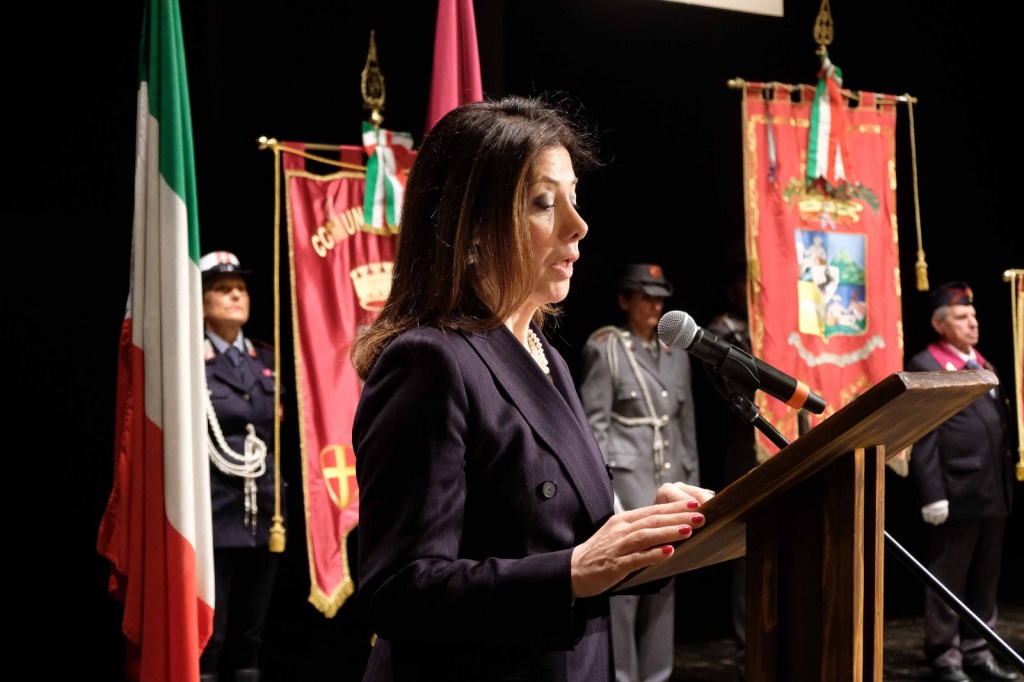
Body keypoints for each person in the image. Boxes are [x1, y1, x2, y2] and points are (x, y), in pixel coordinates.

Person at [350, 94, 715, 682]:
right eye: (545, 203)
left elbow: (570, 543)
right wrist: (569, 572)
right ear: (471, 227)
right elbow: (399, 591)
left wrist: (649, 532)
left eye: (575, 198)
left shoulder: (547, 357)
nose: (579, 225)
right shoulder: (428, 362)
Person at [578, 263, 700, 682]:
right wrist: (604, 494)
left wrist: (693, 482)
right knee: (626, 590)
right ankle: (624, 676)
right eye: (645, 296)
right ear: (625, 301)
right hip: (627, 488)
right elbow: (595, 425)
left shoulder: (676, 352)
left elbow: (685, 425)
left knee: (664, 588)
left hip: (669, 483)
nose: (654, 305)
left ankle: (658, 675)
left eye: (660, 297)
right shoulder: (607, 347)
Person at [906, 281, 1018, 682]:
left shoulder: (984, 363)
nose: (973, 323)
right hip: (956, 489)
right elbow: (925, 434)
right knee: (948, 577)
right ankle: (945, 655)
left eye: (973, 316)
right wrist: (933, 493)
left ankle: (977, 650)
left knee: (985, 578)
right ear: (940, 324)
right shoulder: (927, 363)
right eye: (961, 317)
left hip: (992, 488)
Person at [200, 251, 286, 682]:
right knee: (211, 635)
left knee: (251, 636)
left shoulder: (267, 360)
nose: (235, 294)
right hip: (214, 509)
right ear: (200, 302)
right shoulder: (190, 362)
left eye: (241, 287)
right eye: (221, 287)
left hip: (265, 510)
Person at [702, 243, 756, 662]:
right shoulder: (723, 330)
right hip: (744, 446)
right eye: (743, 278)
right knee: (748, 546)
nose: (751, 286)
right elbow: (736, 391)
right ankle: (747, 641)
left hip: (787, 439)